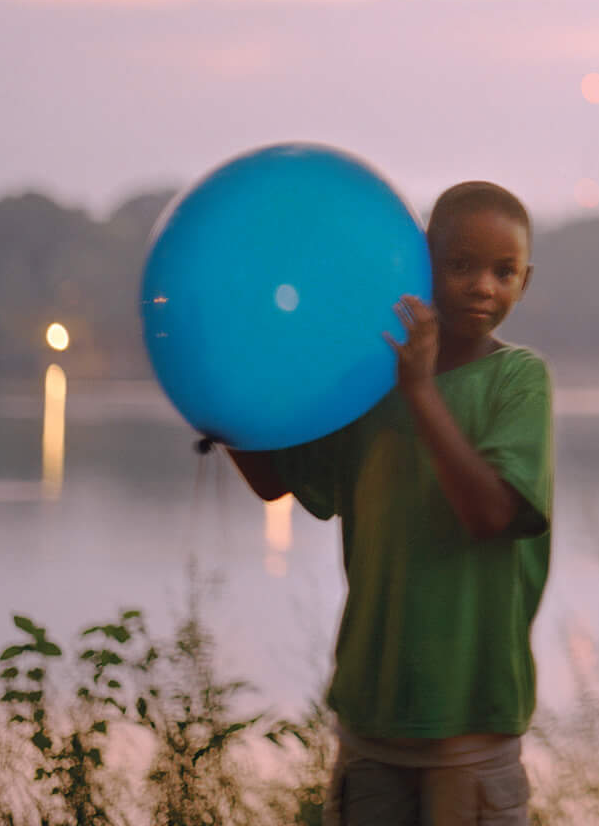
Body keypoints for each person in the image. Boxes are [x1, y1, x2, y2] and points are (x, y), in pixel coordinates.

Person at [230, 180, 552, 826]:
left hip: (471, 725)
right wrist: (230, 393)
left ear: (526, 279)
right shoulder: (367, 389)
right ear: (420, 266)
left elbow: (491, 515)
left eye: (503, 270)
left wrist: (421, 394)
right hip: (372, 722)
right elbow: (275, 481)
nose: (484, 286)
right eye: (459, 266)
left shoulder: (518, 379)